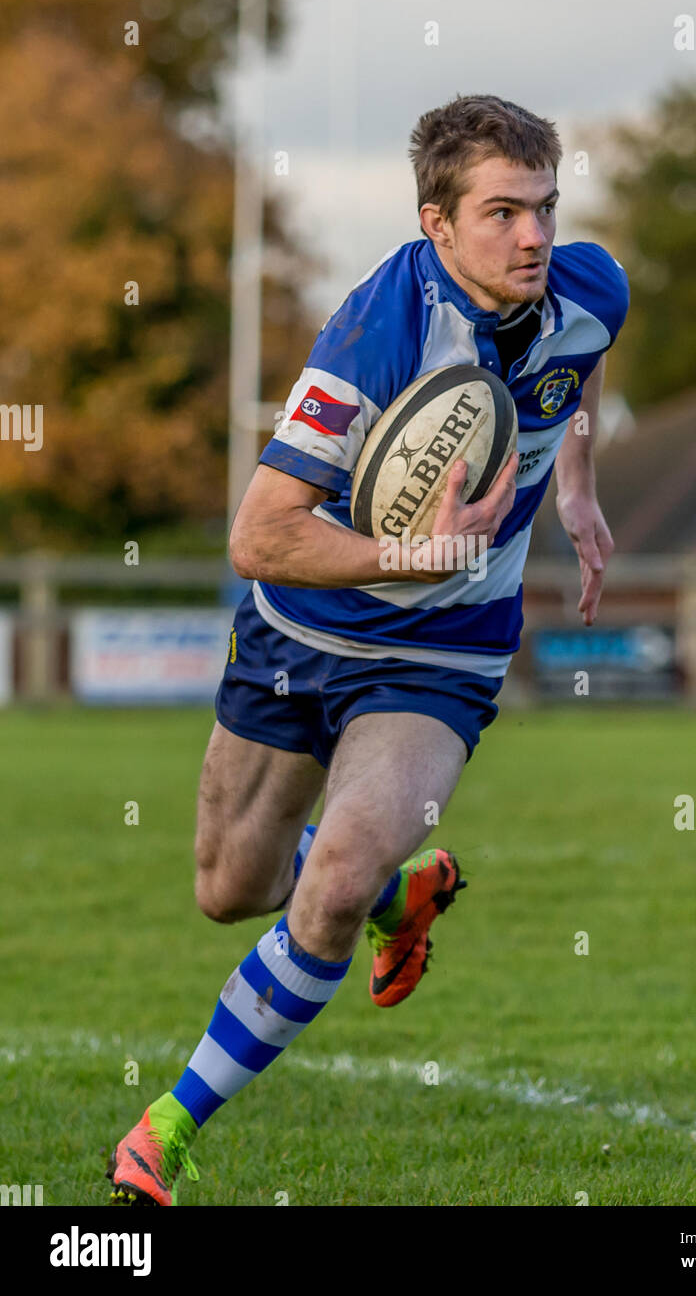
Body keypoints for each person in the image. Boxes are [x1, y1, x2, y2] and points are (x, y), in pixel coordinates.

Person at [106, 93, 628, 1205]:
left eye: (542, 207)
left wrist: (575, 486)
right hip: (298, 635)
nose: (532, 236)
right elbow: (258, 535)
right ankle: (403, 896)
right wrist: (407, 551)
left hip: (441, 658)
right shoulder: (374, 335)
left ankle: (166, 1127)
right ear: (437, 226)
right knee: (228, 887)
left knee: (329, 880)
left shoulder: (585, 287)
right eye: (500, 214)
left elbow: (581, 365)